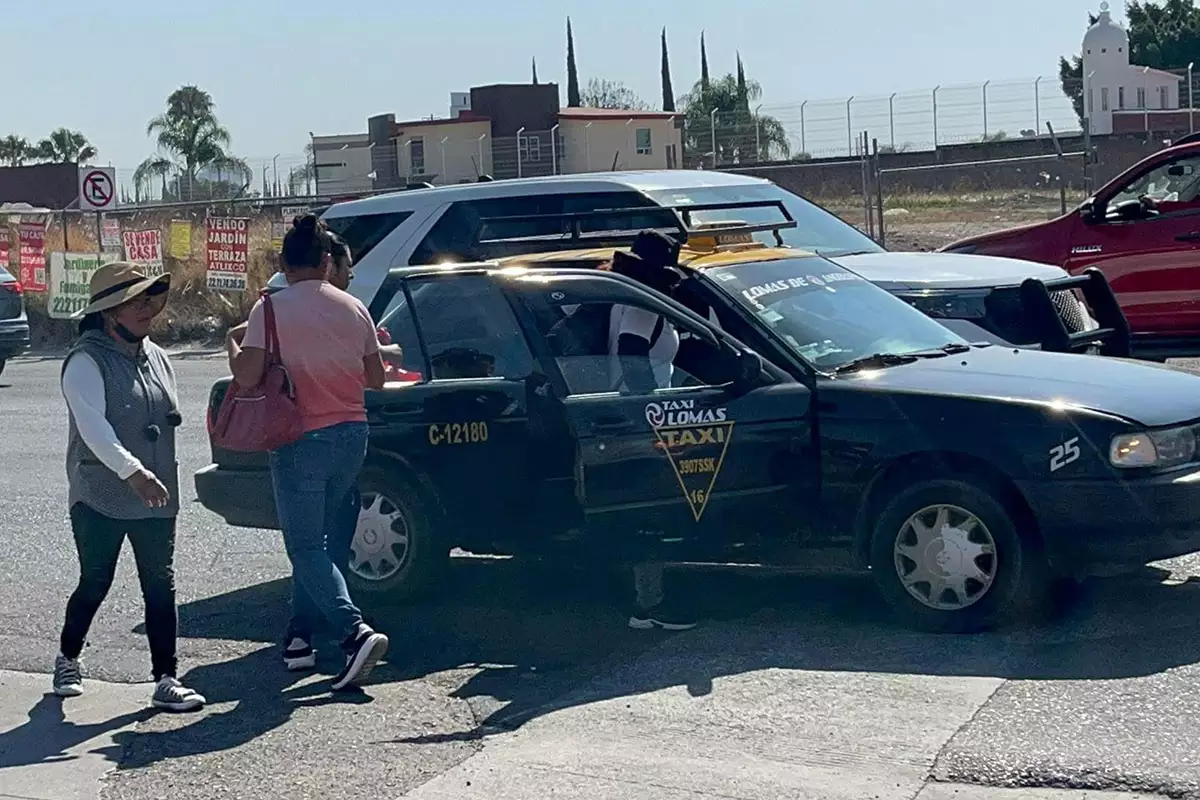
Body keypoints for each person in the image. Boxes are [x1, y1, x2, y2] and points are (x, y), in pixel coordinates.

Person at [227, 214, 389, 691]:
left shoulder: (269, 310)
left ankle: (352, 631)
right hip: (351, 435)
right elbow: (375, 378)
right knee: (321, 541)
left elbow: (248, 376)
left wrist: (230, 344)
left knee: (302, 545)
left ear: (283, 262)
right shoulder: (354, 307)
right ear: (325, 261)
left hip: (300, 439)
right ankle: (299, 638)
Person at [54, 262, 206, 712]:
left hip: (157, 492)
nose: (145, 308)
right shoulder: (85, 360)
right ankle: (68, 657)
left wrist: (153, 476)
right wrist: (133, 472)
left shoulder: (156, 356)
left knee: (160, 583)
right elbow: (94, 428)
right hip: (100, 493)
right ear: (108, 312)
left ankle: (166, 677)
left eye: (148, 298)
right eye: (133, 300)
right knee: (95, 581)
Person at [607, 230, 697, 632]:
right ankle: (649, 607)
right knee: (652, 514)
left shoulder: (622, 301)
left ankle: (646, 601)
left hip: (624, 412)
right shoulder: (643, 310)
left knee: (640, 512)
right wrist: (653, 408)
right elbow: (632, 355)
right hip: (641, 415)